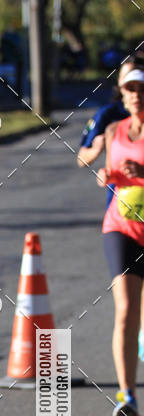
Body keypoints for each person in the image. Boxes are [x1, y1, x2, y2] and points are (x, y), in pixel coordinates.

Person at [79, 55, 144, 363]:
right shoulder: (108, 116)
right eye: (128, 80)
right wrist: (100, 150)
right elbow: (82, 157)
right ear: (120, 85)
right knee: (128, 301)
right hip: (120, 216)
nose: (135, 90)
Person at [98, 64, 144, 416]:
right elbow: (110, 170)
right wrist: (105, 174)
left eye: (141, 88)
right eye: (130, 89)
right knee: (126, 309)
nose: (136, 94)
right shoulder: (114, 130)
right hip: (122, 226)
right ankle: (126, 394)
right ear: (123, 94)